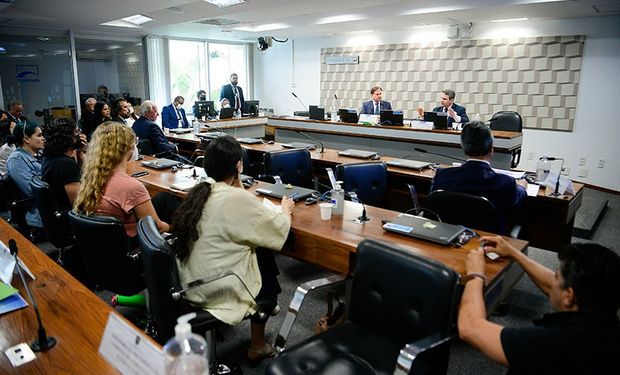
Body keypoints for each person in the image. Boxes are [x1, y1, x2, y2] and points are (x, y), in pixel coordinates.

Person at [173, 135, 294, 365]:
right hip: (214, 286)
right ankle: (258, 341)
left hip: (189, 282)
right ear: (239, 165)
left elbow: (240, 206)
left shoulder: (203, 190)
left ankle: (265, 318)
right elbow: (279, 229)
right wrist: (286, 209)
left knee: (258, 250)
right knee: (264, 255)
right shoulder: (234, 198)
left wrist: (237, 185)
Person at [459, 238, 620, 374]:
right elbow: (551, 285)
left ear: (569, 296)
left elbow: (470, 327)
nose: (552, 280)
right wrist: (514, 253)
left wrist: (476, 274)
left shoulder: (556, 344)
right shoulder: (605, 321)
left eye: (557, 276)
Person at [73, 122, 172, 242]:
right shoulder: (131, 187)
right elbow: (158, 227)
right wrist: (175, 227)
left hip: (105, 244)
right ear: (126, 148)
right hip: (133, 244)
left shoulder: (90, 178)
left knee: (164, 198)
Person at [430, 121, 526, 233]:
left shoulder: (442, 175)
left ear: (464, 148)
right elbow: (518, 199)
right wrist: (522, 187)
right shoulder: (505, 182)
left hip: (450, 237)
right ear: (491, 150)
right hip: (489, 243)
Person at [41, 118, 87, 210]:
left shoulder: (49, 157)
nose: (81, 135)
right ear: (68, 137)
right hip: (69, 217)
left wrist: (80, 152)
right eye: (77, 132)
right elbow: (78, 203)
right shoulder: (67, 164)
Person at [6, 121, 45, 228]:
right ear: (26, 139)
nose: (43, 139)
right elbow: (31, 190)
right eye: (39, 135)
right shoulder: (17, 159)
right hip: (37, 212)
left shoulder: (40, 154)